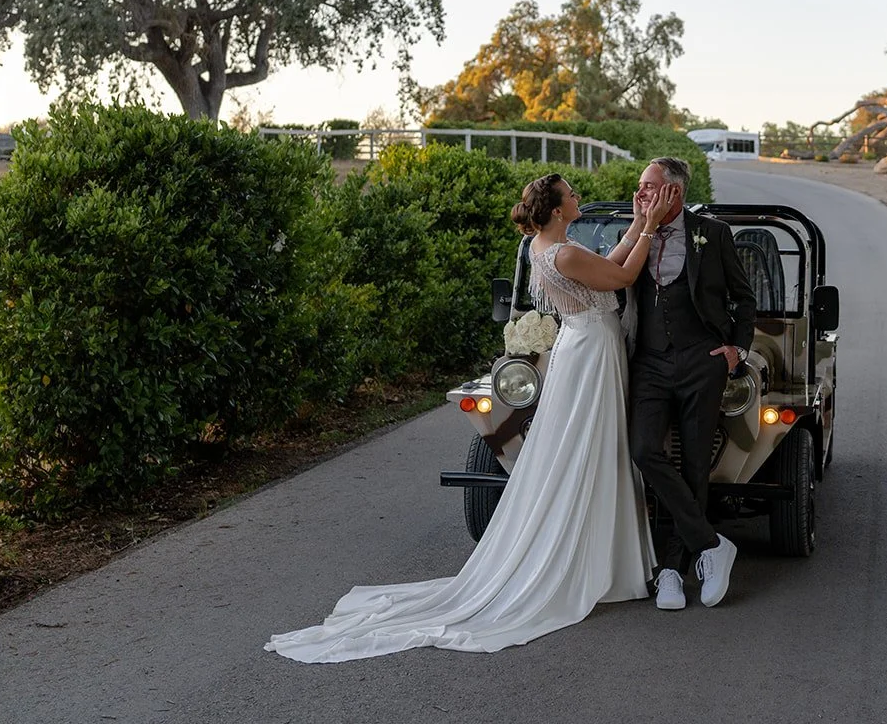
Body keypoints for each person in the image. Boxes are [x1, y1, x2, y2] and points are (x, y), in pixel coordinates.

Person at [264, 174, 677, 662]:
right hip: (590, 352)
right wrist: (648, 225)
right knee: (589, 448)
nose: (578, 197)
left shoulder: (546, 247)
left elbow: (606, 267)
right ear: (559, 208)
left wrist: (636, 224)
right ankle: (590, 561)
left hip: (585, 348)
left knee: (589, 449)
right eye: (572, 194)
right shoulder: (563, 253)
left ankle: (603, 555)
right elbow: (624, 277)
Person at [613, 156, 757, 612]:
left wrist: (738, 349)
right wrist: (641, 226)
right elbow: (613, 281)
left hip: (702, 361)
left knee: (696, 464)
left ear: (675, 192)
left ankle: (672, 571)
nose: (641, 193)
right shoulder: (635, 230)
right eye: (640, 185)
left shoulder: (712, 235)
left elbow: (743, 298)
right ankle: (712, 544)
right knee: (643, 450)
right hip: (650, 362)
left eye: (650, 186)